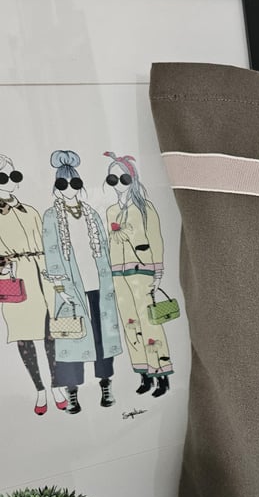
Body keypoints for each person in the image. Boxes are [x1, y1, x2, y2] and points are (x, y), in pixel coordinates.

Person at [42, 150, 122, 414]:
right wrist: (60, 288)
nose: (69, 189)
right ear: (56, 186)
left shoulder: (91, 213)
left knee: (102, 337)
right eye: (62, 183)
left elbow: (105, 250)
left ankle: (106, 385)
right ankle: (72, 392)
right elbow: (52, 253)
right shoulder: (51, 217)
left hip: (97, 285)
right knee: (71, 338)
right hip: (71, 289)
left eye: (74, 183)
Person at [0, 153, 66, 415]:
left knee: (51, 334)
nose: (11, 181)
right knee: (24, 336)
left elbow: (49, 244)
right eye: (4, 177)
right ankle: (39, 390)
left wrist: (55, 273)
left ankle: (57, 385)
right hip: (15, 279)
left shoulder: (31, 211)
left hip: (43, 276)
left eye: (14, 175)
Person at [103, 151, 173, 397]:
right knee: (130, 323)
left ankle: (161, 375)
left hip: (142, 272)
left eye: (123, 179)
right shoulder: (111, 211)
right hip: (118, 275)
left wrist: (158, 271)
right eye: (113, 180)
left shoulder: (144, 208)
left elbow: (156, 239)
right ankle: (144, 375)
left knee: (150, 323)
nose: (118, 184)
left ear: (132, 180)